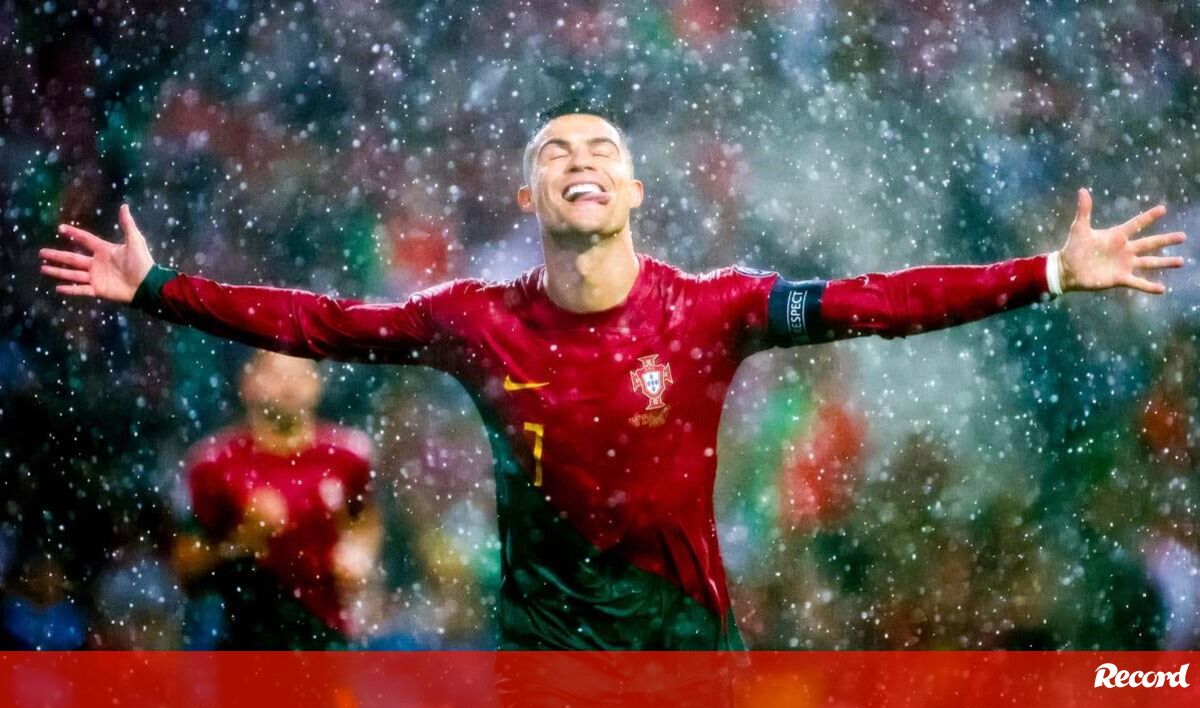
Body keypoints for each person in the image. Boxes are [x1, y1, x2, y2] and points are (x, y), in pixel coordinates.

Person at [40, 105, 1185, 650]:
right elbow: (323, 323)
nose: (581, 160)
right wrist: (158, 288)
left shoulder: (714, 309)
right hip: (544, 657)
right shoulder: (475, 322)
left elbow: (878, 301)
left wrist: (1047, 271)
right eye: (557, 152)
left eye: (602, 151)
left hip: (684, 647)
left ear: (635, 193)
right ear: (531, 197)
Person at [170, 350, 380, 649]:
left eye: (298, 374)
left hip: (326, 637)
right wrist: (244, 538)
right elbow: (186, 569)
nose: (288, 385)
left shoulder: (348, 456)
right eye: (276, 374)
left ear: (317, 384)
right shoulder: (213, 464)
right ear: (248, 383)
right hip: (244, 640)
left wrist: (358, 554)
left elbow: (364, 521)